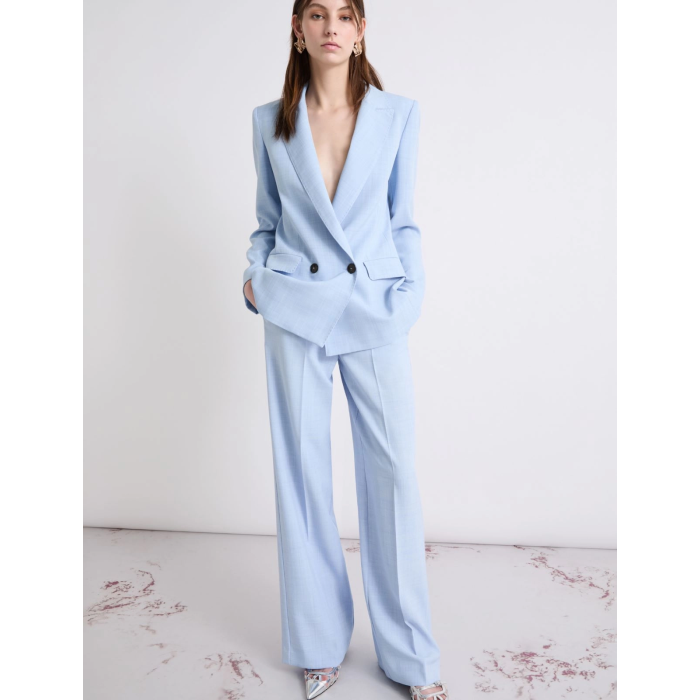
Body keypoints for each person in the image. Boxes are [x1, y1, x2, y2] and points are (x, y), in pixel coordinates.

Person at [242, 2, 448, 699]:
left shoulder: (398, 115)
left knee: (393, 476)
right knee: (301, 476)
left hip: (374, 305)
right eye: (316, 14)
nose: (331, 26)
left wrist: (408, 295)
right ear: (297, 29)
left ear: (361, 31)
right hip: (294, 306)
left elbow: (402, 219)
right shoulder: (270, 121)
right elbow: (267, 222)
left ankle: (411, 658)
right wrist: (254, 279)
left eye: (344, 15)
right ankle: (318, 644)